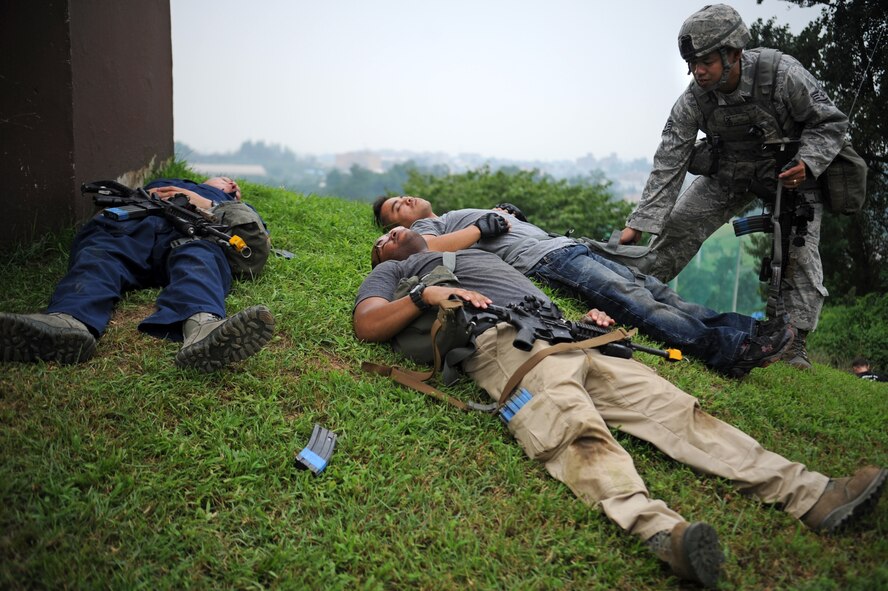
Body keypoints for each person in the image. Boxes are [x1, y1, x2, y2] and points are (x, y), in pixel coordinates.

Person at [354, 226, 886, 589]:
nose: (392, 236)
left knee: (682, 413)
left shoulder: (483, 256)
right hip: (500, 347)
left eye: (399, 226)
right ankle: (659, 532)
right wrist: (426, 298)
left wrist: (587, 320)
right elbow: (368, 323)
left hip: (573, 338)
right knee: (574, 431)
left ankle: (812, 494)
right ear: (383, 257)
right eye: (383, 238)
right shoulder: (395, 276)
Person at [617, 4, 850, 371]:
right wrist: (640, 222)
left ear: (733, 53)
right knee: (677, 228)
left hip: (790, 174)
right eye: (692, 64)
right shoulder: (694, 98)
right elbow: (670, 159)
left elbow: (831, 123)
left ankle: (796, 343)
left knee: (800, 253)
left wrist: (808, 163)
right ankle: (629, 294)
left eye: (705, 61)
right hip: (729, 172)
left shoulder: (783, 74)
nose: (698, 71)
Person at [372, 195, 794, 378]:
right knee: (636, 302)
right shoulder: (423, 229)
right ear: (395, 226)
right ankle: (729, 351)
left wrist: (503, 216)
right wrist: (482, 227)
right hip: (547, 260)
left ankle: (750, 333)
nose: (404, 202)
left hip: (564, 244)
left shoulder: (447, 212)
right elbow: (427, 248)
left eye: (403, 197)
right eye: (395, 208)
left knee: (660, 292)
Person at [0, 177, 275, 372]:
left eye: (231, 184)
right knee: (101, 254)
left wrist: (210, 202)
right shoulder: (166, 179)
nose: (229, 181)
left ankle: (202, 328)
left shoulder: (227, 199)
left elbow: (256, 237)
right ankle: (68, 321)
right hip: (134, 222)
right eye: (225, 178)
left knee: (199, 261)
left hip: (191, 230)